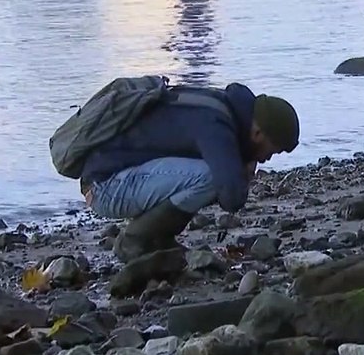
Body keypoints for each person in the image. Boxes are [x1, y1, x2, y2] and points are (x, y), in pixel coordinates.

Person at [78, 82, 299, 260]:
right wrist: (242, 169)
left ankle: (159, 240)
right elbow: (231, 197)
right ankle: (134, 240)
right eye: (273, 151)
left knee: (206, 175)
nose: (268, 158)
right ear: (258, 133)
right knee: (211, 177)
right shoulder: (216, 125)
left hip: (120, 177)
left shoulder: (221, 107)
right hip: (106, 187)